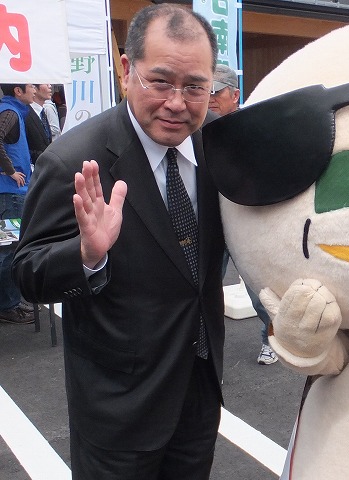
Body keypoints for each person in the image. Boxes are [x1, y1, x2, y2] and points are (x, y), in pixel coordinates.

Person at [13, 5, 225, 479]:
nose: (177, 102)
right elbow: (27, 271)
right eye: (160, 82)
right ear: (127, 70)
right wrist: (86, 255)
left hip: (199, 387)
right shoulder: (72, 160)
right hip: (119, 408)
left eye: (194, 86)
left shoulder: (220, 145)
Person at [209, 64, 278, 365]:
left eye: (216, 91)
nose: (210, 98)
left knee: (259, 291)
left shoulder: (250, 128)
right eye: (205, 90)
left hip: (245, 221)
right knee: (204, 291)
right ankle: (205, 354)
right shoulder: (195, 128)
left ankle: (271, 340)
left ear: (234, 95)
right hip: (208, 221)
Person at [0, 84, 36, 324]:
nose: (34, 89)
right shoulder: (10, 112)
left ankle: (10, 301)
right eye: (31, 85)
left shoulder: (12, 111)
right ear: (18, 91)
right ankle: (7, 306)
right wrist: (11, 170)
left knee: (11, 248)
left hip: (11, 191)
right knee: (8, 250)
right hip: (11, 192)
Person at [25, 85, 52, 165]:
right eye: (45, 83)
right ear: (34, 88)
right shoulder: (25, 113)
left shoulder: (42, 112)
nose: (50, 86)